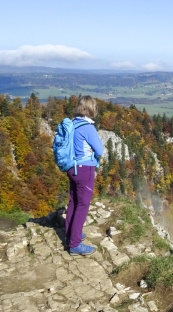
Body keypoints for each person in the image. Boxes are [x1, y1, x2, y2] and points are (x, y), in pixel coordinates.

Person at [65, 95, 104, 256]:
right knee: (83, 206)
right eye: (94, 107)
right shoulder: (88, 127)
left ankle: (71, 234)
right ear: (90, 109)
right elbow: (100, 151)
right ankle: (74, 245)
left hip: (72, 168)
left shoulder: (73, 123)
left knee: (73, 201)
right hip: (84, 169)